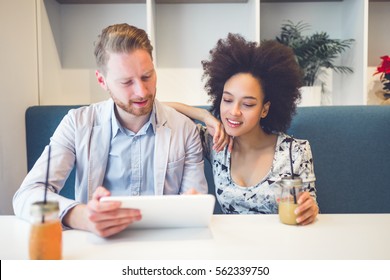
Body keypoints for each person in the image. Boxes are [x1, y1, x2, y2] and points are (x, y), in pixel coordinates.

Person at [13, 23, 207, 237]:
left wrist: (192, 206)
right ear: (101, 80)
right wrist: (80, 216)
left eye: (147, 76)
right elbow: (26, 198)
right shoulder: (77, 125)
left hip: (163, 249)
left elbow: (196, 209)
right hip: (97, 248)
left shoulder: (185, 130)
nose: (142, 92)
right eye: (126, 82)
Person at [166, 34, 319, 225]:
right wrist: (205, 115)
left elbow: (309, 206)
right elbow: (159, 110)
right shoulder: (215, 142)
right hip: (231, 247)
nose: (234, 112)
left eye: (247, 104)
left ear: (265, 109)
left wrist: (310, 209)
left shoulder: (295, 152)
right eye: (228, 100)